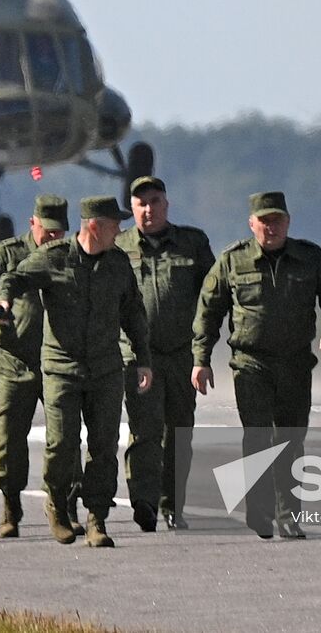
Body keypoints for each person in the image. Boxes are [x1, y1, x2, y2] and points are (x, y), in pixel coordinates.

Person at [0, 196, 153, 548]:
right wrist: (3, 301)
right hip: (61, 368)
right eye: (113, 225)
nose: (119, 231)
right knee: (62, 444)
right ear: (94, 226)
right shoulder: (55, 257)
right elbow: (14, 278)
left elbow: (133, 312)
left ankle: (96, 519)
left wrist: (143, 358)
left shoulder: (118, 263)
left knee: (104, 446)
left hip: (105, 367)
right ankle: (58, 505)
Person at [193, 190, 321, 539]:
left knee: (291, 440)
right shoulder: (232, 261)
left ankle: (289, 514)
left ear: (288, 222)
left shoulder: (309, 257)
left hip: (295, 363)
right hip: (251, 364)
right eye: (264, 221)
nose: (271, 227)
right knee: (259, 437)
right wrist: (201, 360)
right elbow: (209, 311)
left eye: (277, 220)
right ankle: (260, 510)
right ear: (252, 224)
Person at [0, 194, 80, 539]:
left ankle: (66, 504)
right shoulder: (8, 254)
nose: (53, 238)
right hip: (16, 360)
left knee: (65, 437)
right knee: (9, 440)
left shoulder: (72, 255)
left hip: (60, 361)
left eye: (59, 232)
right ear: (33, 224)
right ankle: (11, 507)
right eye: (47, 231)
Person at [115, 176, 214, 531]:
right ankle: (144, 503)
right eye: (140, 203)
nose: (148, 209)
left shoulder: (192, 243)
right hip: (138, 356)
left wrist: (203, 353)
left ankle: (173, 504)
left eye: (154, 201)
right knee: (144, 431)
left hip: (180, 355)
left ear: (166, 205)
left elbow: (212, 298)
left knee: (179, 433)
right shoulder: (118, 246)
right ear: (132, 208)